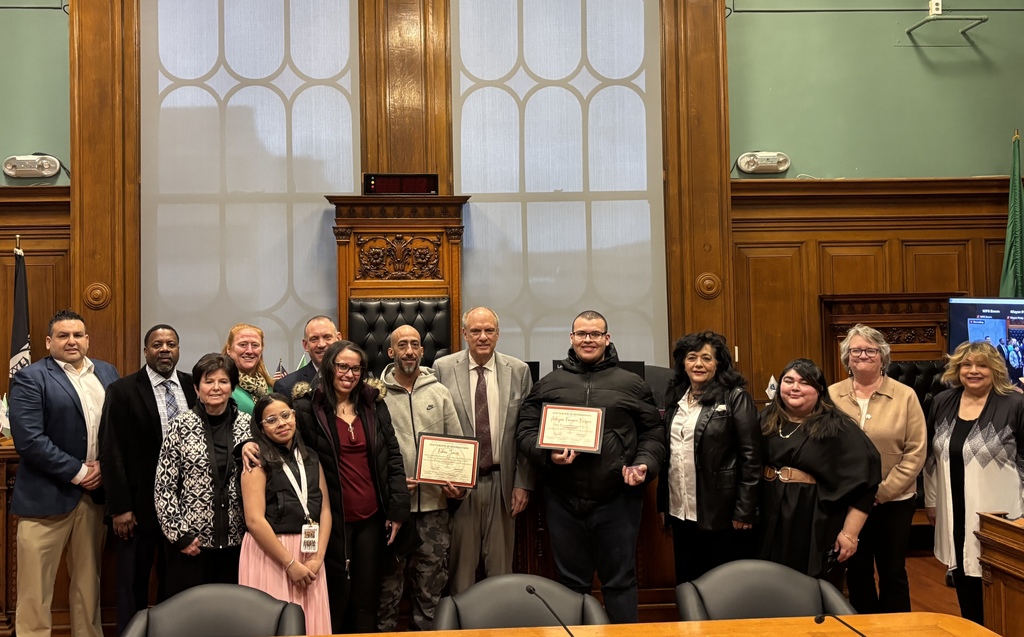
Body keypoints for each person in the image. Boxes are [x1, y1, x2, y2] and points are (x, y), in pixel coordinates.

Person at [516, 310, 664, 623]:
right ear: (571, 338)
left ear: (607, 339)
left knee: (620, 583)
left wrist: (643, 465)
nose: (588, 339)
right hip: (563, 499)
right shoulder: (549, 384)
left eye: (595, 334)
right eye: (582, 333)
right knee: (571, 586)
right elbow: (525, 430)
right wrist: (548, 455)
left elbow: (654, 434)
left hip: (618, 500)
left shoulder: (632, 384)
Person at [8, 309, 120, 637]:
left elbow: (117, 427)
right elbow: (29, 440)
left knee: (89, 585)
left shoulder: (107, 372)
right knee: (35, 591)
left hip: (94, 497)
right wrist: (78, 471)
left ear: (87, 339)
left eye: (77, 335)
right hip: (45, 498)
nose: (71, 341)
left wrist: (106, 466)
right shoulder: (31, 377)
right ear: (48, 341)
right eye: (63, 335)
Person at [290, 340, 410, 633]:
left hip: (372, 518)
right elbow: (277, 439)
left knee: (366, 597)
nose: (349, 373)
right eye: (342, 366)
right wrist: (248, 446)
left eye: (356, 368)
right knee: (335, 598)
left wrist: (397, 510)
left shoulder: (373, 404)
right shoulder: (308, 408)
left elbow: (392, 456)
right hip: (331, 521)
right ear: (330, 367)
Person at [99, 324, 197, 633]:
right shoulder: (123, 390)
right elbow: (110, 450)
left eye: (171, 344)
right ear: (146, 351)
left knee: (178, 585)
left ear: (179, 350)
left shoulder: (194, 386)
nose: (164, 349)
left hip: (184, 509)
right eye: (157, 344)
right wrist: (119, 507)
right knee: (132, 586)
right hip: (137, 510)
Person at [433, 307, 535, 592]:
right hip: (461, 486)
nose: (482, 337)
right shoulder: (442, 368)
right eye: (475, 331)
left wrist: (523, 483)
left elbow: (526, 433)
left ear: (498, 334)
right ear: (464, 334)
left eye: (489, 330)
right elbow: (435, 427)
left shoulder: (518, 371)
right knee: (460, 574)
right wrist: (444, 479)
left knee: (501, 575)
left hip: (503, 484)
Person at [924, 341, 1024, 625]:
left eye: (982, 365)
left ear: (995, 369)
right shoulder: (942, 402)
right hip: (954, 511)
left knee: (999, 586)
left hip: (1002, 516)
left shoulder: (1015, 404)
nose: (973, 371)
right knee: (964, 581)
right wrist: (931, 500)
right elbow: (930, 458)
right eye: (966, 365)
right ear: (957, 369)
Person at [828, 324, 926, 613]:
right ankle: (866, 628)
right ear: (847, 357)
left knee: (892, 571)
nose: (863, 355)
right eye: (856, 350)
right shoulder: (832, 396)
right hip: (848, 502)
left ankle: (898, 630)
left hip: (894, 501)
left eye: (870, 350)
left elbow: (916, 452)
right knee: (856, 571)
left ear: (882, 356)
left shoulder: (905, 395)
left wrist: (880, 492)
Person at [758, 358, 881, 583]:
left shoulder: (838, 427)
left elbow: (866, 483)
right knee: (766, 583)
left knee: (805, 589)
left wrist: (850, 534)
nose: (795, 388)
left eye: (804, 382)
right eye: (788, 381)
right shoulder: (767, 419)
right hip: (767, 515)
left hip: (811, 519)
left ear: (819, 389)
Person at [656, 331, 761, 584]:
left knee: (720, 585)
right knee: (688, 581)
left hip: (722, 514)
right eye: (692, 358)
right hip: (681, 510)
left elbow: (752, 457)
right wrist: (663, 504)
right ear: (683, 363)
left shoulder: (735, 398)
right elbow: (668, 456)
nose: (698, 364)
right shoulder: (675, 401)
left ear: (719, 363)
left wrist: (745, 510)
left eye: (706, 358)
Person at [377, 325, 463, 631]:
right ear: (391, 352)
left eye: (415, 344)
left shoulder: (439, 393)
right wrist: (393, 484)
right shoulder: (377, 395)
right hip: (392, 513)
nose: (409, 351)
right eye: (402, 345)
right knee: (387, 592)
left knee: (431, 592)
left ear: (423, 352)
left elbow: (457, 445)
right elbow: (370, 453)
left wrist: (457, 488)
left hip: (434, 510)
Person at [154, 353, 251, 596]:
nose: (216, 388)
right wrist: (179, 535)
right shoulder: (181, 426)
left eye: (223, 381)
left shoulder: (248, 426)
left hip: (239, 544)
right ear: (197, 388)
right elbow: (164, 486)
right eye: (209, 382)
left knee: (233, 618)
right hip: (192, 545)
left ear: (232, 387)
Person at [239, 393, 332, 635]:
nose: (281, 423)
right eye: (271, 420)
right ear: (260, 427)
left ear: (294, 416)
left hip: (310, 555)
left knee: (310, 625)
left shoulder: (311, 457)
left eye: (285, 415)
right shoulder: (256, 460)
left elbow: (325, 510)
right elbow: (254, 521)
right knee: (273, 625)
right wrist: (290, 563)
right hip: (272, 554)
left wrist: (318, 557)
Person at [276, 316, 341, 399]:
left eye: (327, 337)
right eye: (314, 339)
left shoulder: (352, 379)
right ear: (305, 345)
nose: (321, 344)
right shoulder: (287, 386)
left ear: (338, 339)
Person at [222, 323, 275, 414]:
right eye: (242, 345)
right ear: (229, 349)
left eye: (255, 345)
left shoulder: (271, 387)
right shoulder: (222, 386)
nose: (249, 351)